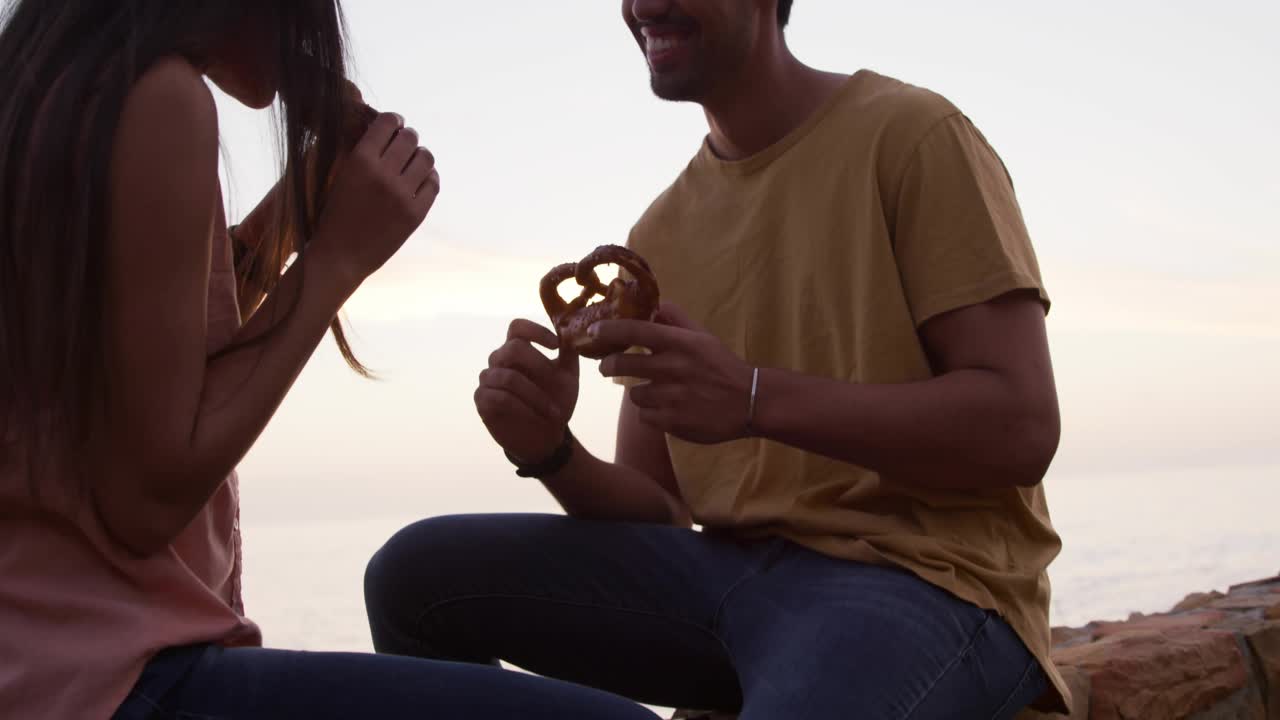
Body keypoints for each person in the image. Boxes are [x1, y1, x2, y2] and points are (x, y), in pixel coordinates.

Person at [365, 0, 1071, 717]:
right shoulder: (660, 231)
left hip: (932, 583)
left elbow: (1020, 427)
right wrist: (552, 451)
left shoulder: (914, 136)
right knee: (412, 581)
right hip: (729, 581)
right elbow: (659, 513)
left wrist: (753, 398)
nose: (645, 7)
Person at [0, 3, 663, 719]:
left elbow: (156, 359)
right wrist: (338, 258)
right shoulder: (161, 97)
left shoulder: (54, 89)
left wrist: (300, 203)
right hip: (111, 681)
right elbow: (145, 500)